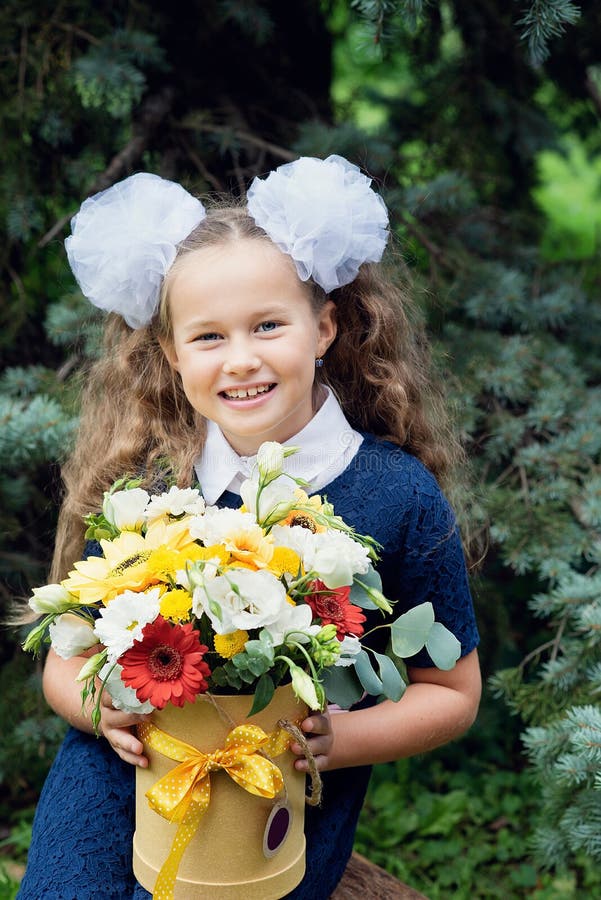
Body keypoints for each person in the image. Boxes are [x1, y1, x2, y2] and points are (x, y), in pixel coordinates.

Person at [18, 155, 481, 900]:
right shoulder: (150, 491)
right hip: (125, 764)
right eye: (207, 337)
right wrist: (100, 708)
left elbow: (452, 691)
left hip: (282, 782)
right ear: (171, 354)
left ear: (324, 326)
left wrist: (344, 738)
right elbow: (64, 663)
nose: (241, 360)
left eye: (268, 325)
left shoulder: (394, 495)